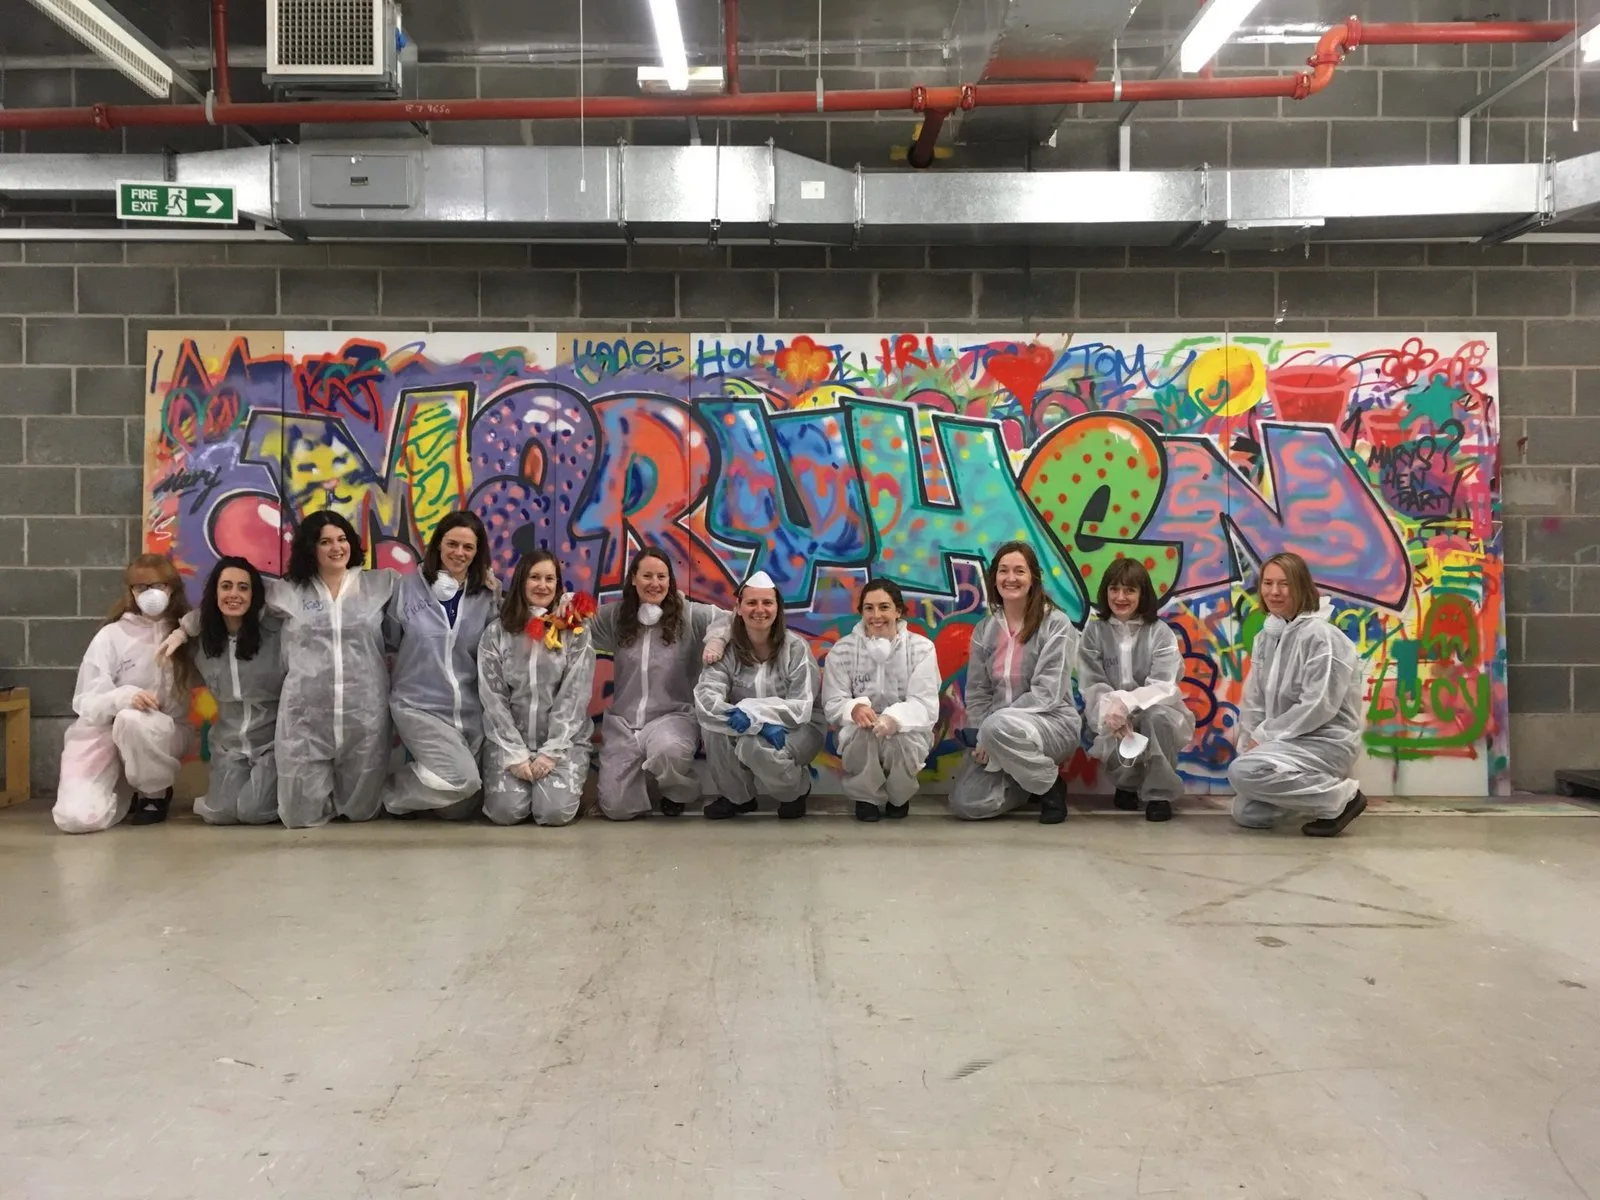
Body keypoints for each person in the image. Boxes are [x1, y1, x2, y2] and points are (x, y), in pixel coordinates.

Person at [165, 511, 399, 827]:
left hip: (364, 713)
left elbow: (422, 595)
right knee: (300, 814)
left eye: (342, 539)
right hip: (306, 716)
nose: (336, 547)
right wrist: (184, 629)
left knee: (360, 812)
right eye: (325, 541)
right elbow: (231, 601)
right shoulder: (287, 591)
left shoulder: (379, 585)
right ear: (310, 548)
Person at [54, 553, 196, 833]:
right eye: (142, 587)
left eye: (159, 585)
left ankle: (153, 794)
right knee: (76, 819)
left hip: (161, 733)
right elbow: (85, 700)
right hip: (103, 734)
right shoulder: (111, 635)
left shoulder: (185, 633)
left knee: (134, 720)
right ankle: (118, 789)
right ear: (131, 591)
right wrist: (123, 697)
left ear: (172, 587)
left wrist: (184, 633)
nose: (151, 593)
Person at [1229, 551, 1367, 837]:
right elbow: (1255, 698)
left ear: (1301, 586)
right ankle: (1316, 796)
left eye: (1284, 584)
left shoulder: (1323, 637)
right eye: (1267, 583)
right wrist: (1249, 738)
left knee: (1243, 773)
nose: (1274, 592)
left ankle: (1343, 797)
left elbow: (1318, 706)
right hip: (1286, 743)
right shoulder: (1267, 637)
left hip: (1324, 742)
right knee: (1247, 813)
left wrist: (1264, 737)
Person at [585, 548, 728, 820]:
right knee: (616, 809)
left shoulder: (687, 616)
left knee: (668, 752)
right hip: (624, 723)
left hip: (672, 717)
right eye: (647, 575)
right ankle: (638, 791)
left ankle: (677, 793)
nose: (655, 583)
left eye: (662, 576)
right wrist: (567, 606)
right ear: (634, 580)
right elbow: (580, 626)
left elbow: (727, 619)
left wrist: (716, 639)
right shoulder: (616, 617)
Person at [949, 541, 1081, 823]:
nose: (1011, 578)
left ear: (1033, 577)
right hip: (994, 731)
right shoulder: (985, 630)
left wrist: (991, 730)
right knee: (966, 803)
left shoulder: (1056, 624)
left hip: (1052, 725)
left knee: (998, 727)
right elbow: (977, 691)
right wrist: (983, 734)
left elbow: (1047, 694)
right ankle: (1026, 783)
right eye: (1003, 571)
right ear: (994, 578)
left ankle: (1049, 784)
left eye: (1019, 571)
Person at [384, 512, 498, 820]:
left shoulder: (485, 595)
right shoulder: (406, 588)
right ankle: (390, 793)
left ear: (477, 552)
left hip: (469, 712)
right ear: (438, 545)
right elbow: (390, 638)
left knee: (458, 809)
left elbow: (495, 650)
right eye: (452, 544)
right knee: (465, 781)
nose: (459, 553)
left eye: (468, 547)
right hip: (418, 706)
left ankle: (434, 776)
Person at [478, 550, 597, 826]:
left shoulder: (574, 632)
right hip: (509, 742)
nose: (542, 586)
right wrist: (514, 753)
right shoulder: (497, 632)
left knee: (553, 814)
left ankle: (552, 788)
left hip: (561, 743)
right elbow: (492, 698)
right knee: (505, 813)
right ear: (521, 581)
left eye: (549, 579)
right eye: (534, 578)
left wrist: (551, 752)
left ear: (558, 584)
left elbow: (574, 695)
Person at [694, 571, 825, 820]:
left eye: (767, 602)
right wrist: (757, 725)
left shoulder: (796, 648)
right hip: (744, 723)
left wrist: (754, 714)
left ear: (778, 608)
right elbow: (706, 701)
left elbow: (801, 708)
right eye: (752, 602)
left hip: (800, 729)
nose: (760, 609)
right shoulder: (725, 651)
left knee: (754, 746)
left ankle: (795, 792)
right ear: (739, 608)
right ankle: (738, 798)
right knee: (714, 729)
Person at [1076, 559, 1194, 823]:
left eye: (1129, 590)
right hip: (1111, 715)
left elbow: (1163, 685)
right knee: (1116, 727)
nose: (1120, 597)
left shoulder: (1160, 633)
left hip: (1154, 711)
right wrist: (1111, 708)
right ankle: (1127, 785)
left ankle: (1158, 795)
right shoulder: (1094, 632)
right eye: (1114, 589)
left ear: (1143, 595)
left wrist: (1126, 702)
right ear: (1105, 592)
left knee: (1157, 717)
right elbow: (1092, 682)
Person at [821, 577, 940, 822]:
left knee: (902, 739)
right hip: (860, 731)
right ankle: (866, 799)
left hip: (907, 730)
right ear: (861, 612)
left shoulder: (922, 649)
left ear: (898, 611)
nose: (876, 615)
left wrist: (895, 718)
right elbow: (833, 701)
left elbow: (925, 704)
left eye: (884, 607)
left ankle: (900, 797)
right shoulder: (842, 651)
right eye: (869, 608)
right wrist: (853, 708)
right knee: (861, 735)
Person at [191, 556, 285, 825]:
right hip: (230, 746)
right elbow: (193, 620)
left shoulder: (275, 634)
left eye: (243, 588)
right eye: (227, 586)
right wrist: (181, 631)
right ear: (215, 592)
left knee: (253, 812)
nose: (234, 594)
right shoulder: (204, 641)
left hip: (273, 745)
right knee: (220, 815)